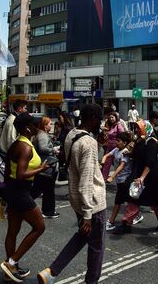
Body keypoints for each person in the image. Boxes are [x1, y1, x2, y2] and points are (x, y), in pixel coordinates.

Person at [37, 104, 107, 284]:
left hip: (76, 198)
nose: (101, 122)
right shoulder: (88, 142)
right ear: (92, 118)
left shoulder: (72, 135)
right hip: (92, 202)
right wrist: (88, 214)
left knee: (83, 235)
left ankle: (52, 272)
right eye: (99, 118)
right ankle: (91, 281)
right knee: (96, 247)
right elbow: (86, 179)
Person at [0, 113, 49, 283]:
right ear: (28, 128)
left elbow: (7, 172)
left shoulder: (17, 144)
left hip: (13, 190)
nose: (37, 127)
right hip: (21, 191)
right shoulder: (25, 147)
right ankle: (11, 262)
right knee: (39, 227)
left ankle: (10, 270)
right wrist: (41, 169)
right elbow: (21, 174)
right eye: (35, 125)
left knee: (13, 231)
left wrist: (7, 193)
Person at [115, 120, 158, 234]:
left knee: (155, 202)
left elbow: (150, 162)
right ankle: (126, 223)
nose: (137, 130)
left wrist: (142, 178)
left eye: (139, 128)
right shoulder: (140, 140)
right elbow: (137, 155)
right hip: (138, 174)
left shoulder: (151, 142)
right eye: (136, 128)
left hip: (151, 177)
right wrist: (129, 154)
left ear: (145, 128)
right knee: (133, 198)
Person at [102, 131, 134, 231]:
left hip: (125, 180)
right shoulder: (116, 149)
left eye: (118, 141)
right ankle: (136, 215)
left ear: (124, 143)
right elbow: (106, 155)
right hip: (120, 180)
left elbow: (121, 166)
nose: (116, 142)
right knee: (129, 200)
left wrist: (112, 176)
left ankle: (111, 221)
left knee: (118, 201)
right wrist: (102, 163)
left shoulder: (125, 152)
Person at [31, 117, 60, 219]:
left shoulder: (41, 134)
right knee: (41, 189)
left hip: (45, 165)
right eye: (49, 124)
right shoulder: (42, 135)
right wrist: (54, 150)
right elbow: (43, 148)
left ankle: (48, 211)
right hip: (46, 165)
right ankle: (18, 206)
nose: (51, 125)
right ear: (44, 125)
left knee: (45, 189)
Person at [100, 112, 124, 180]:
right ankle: (104, 178)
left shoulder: (118, 125)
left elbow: (123, 136)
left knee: (118, 164)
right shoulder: (111, 125)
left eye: (112, 117)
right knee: (107, 163)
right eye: (110, 117)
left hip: (117, 148)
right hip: (109, 147)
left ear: (116, 118)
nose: (111, 119)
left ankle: (121, 179)